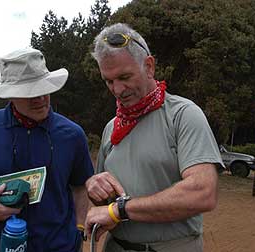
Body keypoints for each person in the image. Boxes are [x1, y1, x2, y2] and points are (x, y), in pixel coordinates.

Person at [84, 23, 224, 252]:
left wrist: (119, 210)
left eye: (125, 77)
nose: (117, 90)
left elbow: (202, 192)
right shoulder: (112, 127)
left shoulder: (183, 115)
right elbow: (105, 201)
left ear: (149, 66)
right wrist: (95, 187)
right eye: (109, 81)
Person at [0, 48, 94, 252]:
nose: (40, 98)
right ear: (11, 95)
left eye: (44, 89)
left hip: (59, 246)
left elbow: (80, 185)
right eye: (29, 93)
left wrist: (78, 228)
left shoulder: (72, 134)